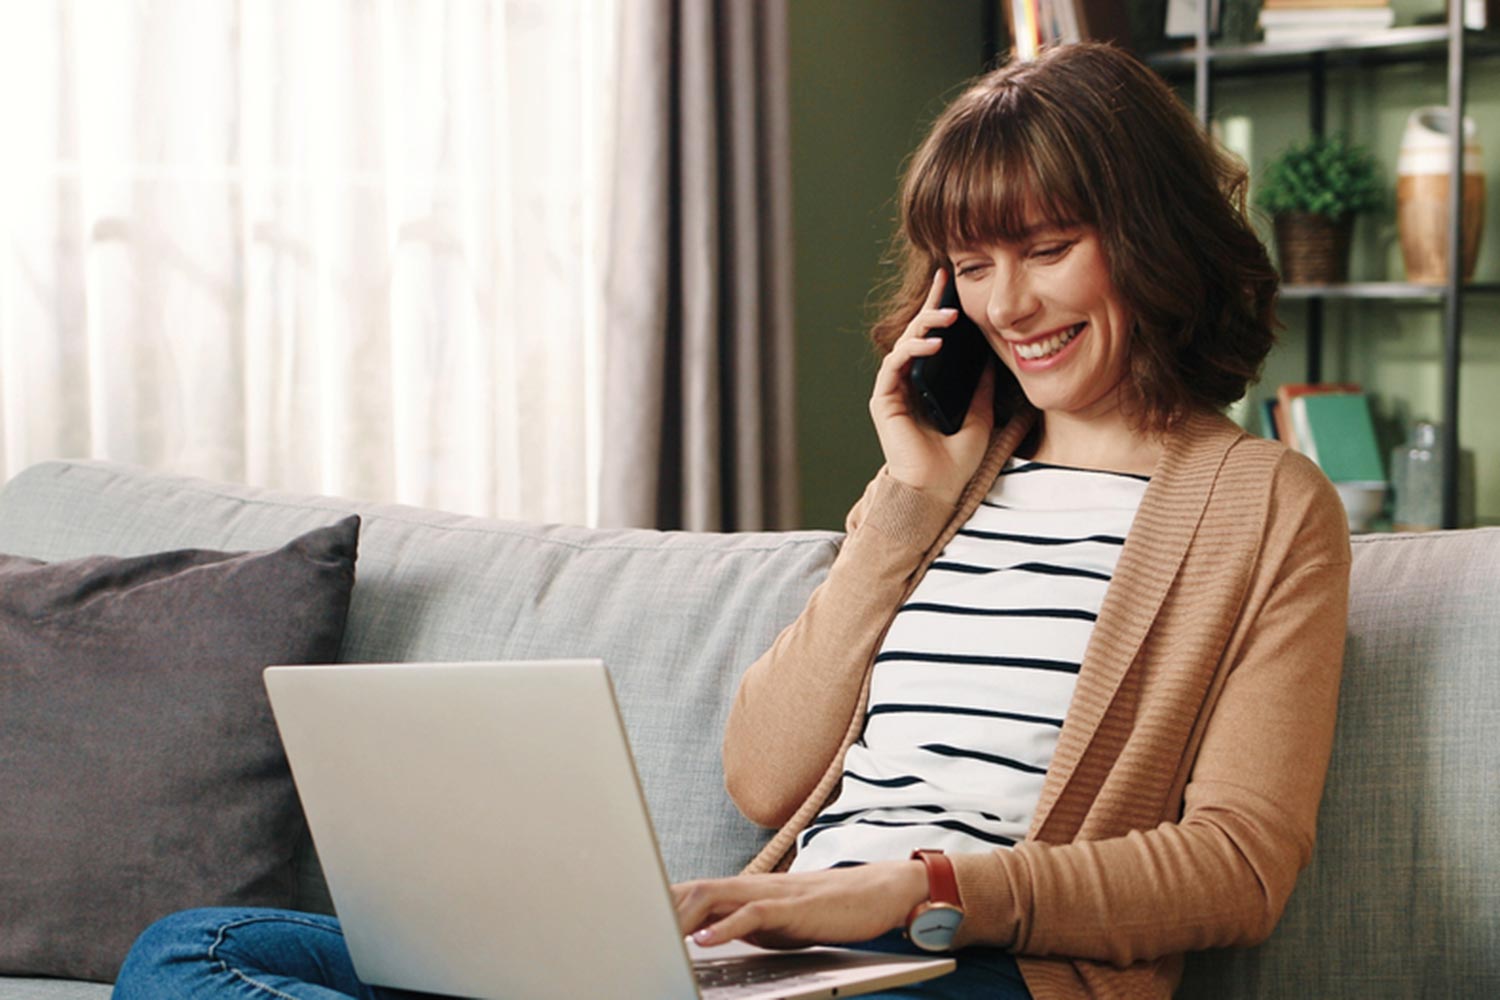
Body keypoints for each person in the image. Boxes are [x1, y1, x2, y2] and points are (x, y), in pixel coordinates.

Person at [113, 41, 1350, 1000]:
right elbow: (763, 773)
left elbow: (1235, 866)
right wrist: (907, 503)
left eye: (1046, 248)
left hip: (965, 966)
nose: (1010, 302)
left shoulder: (1265, 506)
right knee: (197, 945)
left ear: (1143, 238)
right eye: (972, 267)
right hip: (775, 955)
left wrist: (912, 892)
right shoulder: (942, 479)